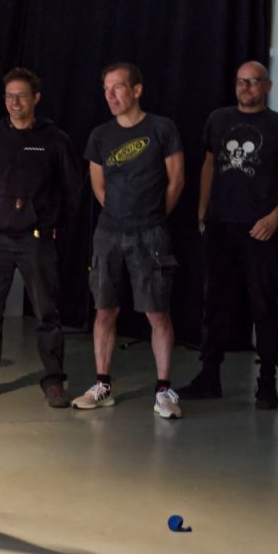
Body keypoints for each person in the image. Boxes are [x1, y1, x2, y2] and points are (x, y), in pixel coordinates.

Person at [178, 62, 278, 409]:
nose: (246, 87)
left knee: (264, 305)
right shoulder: (218, 119)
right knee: (214, 303)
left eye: (253, 81)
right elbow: (208, 165)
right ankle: (209, 376)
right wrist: (202, 211)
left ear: (267, 86)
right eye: (240, 82)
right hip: (220, 225)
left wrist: (275, 216)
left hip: (259, 229)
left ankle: (267, 383)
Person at [0, 67, 80, 407]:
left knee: (47, 314)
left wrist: (54, 221)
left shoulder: (54, 140)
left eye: (21, 96)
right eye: (9, 96)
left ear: (36, 98)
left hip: (36, 239)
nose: (15, 102)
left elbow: (72, 188)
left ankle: (53, 380)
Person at [72, 63, 185, 419]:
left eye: (118, 87)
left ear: (137, 90)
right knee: (104, 309)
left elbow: (176, 181)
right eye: (106, 89)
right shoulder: (100, 135)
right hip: (109, 233)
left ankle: (164, 390)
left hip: (150, 232)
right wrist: (119, 216)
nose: (110, 95)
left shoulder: (162, 128)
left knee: (157, 312)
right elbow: (99, 186)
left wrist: (151, 216)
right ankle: (102, 384)